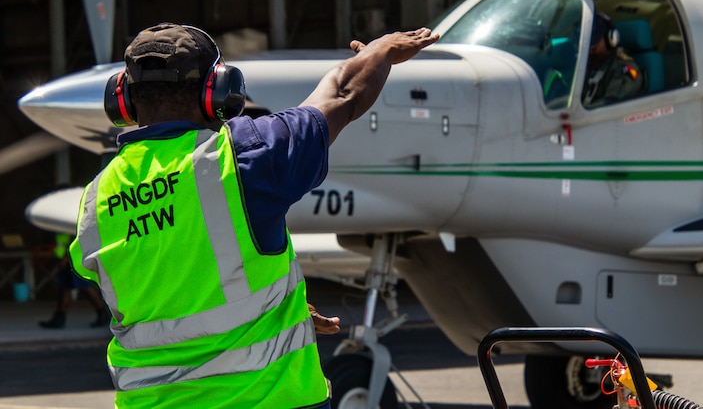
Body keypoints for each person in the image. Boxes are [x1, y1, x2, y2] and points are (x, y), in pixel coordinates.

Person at [69, 22, 439, 408]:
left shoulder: (97, 198)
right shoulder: (243, 159)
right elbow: (341, 94)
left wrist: (274, 307)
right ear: (219, 92)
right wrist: (380, 52)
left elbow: (168, 280)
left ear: (123, 99)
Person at [38, 232, 111, 329]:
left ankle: (103, 312)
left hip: (73, 259)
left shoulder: (68, 222)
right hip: (67, 259)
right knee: (65, 288)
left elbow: (75, 239)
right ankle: (59, 317)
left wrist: (66, 258)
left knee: (84, 286)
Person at [582, 12, 644, 107]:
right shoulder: (584, 66)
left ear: (611, 39)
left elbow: (611, 105)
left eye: (594, 46)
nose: (589, 51)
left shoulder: (624, 69)